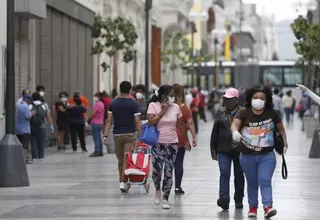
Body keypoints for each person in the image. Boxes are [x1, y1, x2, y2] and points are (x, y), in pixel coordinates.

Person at [231, 85, 288, 218]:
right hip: (246, 156)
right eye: (255, 98)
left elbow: (281, 130)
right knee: (252, 183)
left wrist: (285, 144)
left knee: (265, 180)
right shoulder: (243, 112)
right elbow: (235, 124)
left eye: (261, 98)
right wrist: (234, 132)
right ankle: (252, 208)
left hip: (267, 155)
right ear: (250, 98)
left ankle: (268, 206)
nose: (258, 100)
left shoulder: (272, 113)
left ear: (267, 100)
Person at [147, 84, 191, 209]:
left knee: (168, 172)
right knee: (156, 171)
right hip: (157, 143)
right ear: (163, 95)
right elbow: (152, 121)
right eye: (171, 95)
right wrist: (163, 111)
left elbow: (181, 125)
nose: (173, 97)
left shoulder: (176, 107)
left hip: (173, 143)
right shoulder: (153, 105)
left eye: (173, 95)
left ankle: (165, 198)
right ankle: (157, 190)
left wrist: (186, 140)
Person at [103, 81, 142, 192]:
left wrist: (105, 135)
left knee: (120, 160)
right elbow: (137, 121)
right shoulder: (134, 103)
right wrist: (141, 134)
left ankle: (123, 180)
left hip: (117, 135)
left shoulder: (113, 103)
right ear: (130, 90)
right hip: (130, 134)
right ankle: (123, 180)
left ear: (120, 89)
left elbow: (109, 120)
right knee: (127, 158)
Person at [210, 88, 245, 210]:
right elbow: (215, 131)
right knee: (224, 173)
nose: (227, 101)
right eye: (226, 99)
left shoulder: (244, 112)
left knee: (239, 174)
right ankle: (224, 198)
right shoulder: (220, 112)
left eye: (229, 99)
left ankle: (239, 199)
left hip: (240, 150)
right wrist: (213, 149)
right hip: (223, 149)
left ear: (236, 99)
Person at [172, 83, 197, 195]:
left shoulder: (165, 107)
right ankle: (177, 187)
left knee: (168, 163)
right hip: (180, 138)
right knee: (178, 162)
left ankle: (164, 186)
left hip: (166, 137)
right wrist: (194, 137)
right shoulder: (183, 108)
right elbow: (190, 123)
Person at [30, 92, 54, 161]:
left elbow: (28, 115)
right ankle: (41, 156)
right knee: (41, 141)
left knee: (33, 141)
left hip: (32, 126)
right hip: (42, 126)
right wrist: (51, 124)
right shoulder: (44, 105)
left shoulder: (30, 105)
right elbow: (48, 115)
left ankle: (34, 156)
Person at [16, 94, 34, 164]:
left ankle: (18, 159)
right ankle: (23, 160)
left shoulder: (17, 105)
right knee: (25, 145)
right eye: (30, 101)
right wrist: (32, 113)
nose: (30, 102)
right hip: (25, 129)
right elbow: (27, 117)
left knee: (19, 145)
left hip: (17, 129)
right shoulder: (25, 106)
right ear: (27, 100)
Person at [88, 92, 105, 157]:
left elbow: (93, 113)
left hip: (95, 123)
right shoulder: (102, 104)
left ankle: (97, 151)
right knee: (99, 137)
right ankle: (100, 151)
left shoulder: (97, 104)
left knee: (96, 138)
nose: (94, 98)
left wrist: (89, 119)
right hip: (100, 122)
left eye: (95, 96)